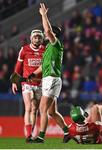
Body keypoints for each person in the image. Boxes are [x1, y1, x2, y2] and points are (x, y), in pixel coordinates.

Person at [28, 3, 68, 143]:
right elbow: (41, 67)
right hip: (49, 79)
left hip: (51, 79)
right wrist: (32, 75)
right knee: (51, 112)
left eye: (47, 33)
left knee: (42, 109)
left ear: (53, 34)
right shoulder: (48, 50)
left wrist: (44, 15)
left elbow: (49, 31)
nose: (45, 34)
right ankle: (68, 132)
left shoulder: (55, 43)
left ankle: (40, 137)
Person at [11, 29, 45, 142]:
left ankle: (31, 133)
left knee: (35, 109)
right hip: (27, 83)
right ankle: (28, 136)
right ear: (31, 38)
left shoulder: (45, 50)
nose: (37, 39)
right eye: (35, 37)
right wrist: (15, 82)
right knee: (29, 107)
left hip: (39, 84)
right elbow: (18, 67)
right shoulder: (24, 49)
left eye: (39, 37)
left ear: (42, 39)